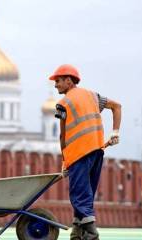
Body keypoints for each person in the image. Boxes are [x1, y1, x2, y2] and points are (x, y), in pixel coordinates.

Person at [49, 64, 121, 240]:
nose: (55, 85)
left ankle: (90, 233)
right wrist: (115, 133)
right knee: (86, 194)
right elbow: (117, 106)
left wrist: (65, 162)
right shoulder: (93, 96)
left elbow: (63, 136)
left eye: (58, 81)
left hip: (79, 154)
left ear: (69, 80)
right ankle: (77, 231)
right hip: (97, 151)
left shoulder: (62, 103)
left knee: (79, 195)